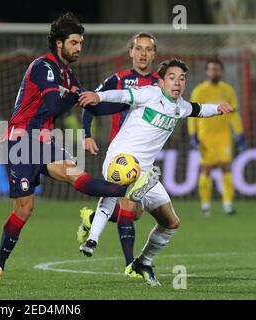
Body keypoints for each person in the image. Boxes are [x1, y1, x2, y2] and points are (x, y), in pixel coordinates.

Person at [0, 12, 161, 287]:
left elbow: (93, 105)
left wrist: (131, 104)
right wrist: (74, 96)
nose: (79, 48)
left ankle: (131, 189)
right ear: (59, 44)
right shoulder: (43, 67)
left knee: (79, 179)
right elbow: (54, 106)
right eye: (75, 43)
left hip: (43, 142)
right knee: (24, 209)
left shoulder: (67, 73)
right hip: (19, 142)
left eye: (80, 43)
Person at [77, 58, 233, 286]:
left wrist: (218, 109)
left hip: (145, 171)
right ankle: (94, 240)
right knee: (127, 200)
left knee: (170, 222)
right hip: (121, 159)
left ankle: (142, 262)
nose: (177, 82)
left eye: (182, 78)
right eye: (172, 78)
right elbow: (121, 95)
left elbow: (199, 109)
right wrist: (99, 96)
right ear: (161, 82)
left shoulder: (180, 107)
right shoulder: (149, 94)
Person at [77, 32, 159, 278]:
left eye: (148, 49)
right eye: (138, 48)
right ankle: (130, 265)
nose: (143, 53)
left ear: (154, 54)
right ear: (130, 52)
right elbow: (91, 102)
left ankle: (91, 218)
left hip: (144, 154)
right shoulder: (118, 79)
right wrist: (86, 135)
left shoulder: (160, 82)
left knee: (135, 213)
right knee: (127, 203)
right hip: (121, 154)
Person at [187, 58, 245, 216]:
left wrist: (239, 133)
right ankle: (205, 205)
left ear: (221, 71)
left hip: (223, 136)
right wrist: (193, 134)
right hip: (205, 136)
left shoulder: (228, 90)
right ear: (207, 72)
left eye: (217, 69)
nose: (214, 72)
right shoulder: (199, 91)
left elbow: (234, 115)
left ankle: (228, 204)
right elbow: (191, 114)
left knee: (226, 167)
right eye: (211, 69)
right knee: (206, 170)